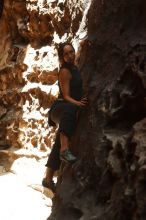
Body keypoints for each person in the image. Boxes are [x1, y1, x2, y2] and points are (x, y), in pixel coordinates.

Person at [42, 42, 88, 192]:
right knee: (71, 108)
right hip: (60, 107)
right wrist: (79, 103)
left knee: (60, 139)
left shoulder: (75, 68)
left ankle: (48, 179)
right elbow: (67, 96)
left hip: (67, 109)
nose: (70, 55)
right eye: (66, 54)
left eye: (71, 52)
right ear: (62, 57)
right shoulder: (64, 71)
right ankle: (65, 151)